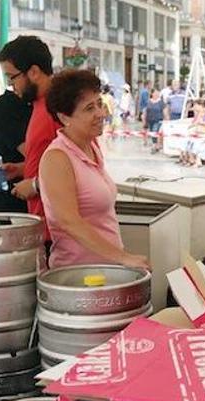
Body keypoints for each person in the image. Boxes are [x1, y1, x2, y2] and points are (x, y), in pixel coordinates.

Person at [39, 69, 150, 270]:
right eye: (89, 108)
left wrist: (119, 257)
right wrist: (123, 257)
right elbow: (68, 221)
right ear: (65, 118)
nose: (100, 113)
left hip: (107, 270)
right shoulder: (57, 158)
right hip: (79, 276)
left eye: (99, 104)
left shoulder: (91, 148)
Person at [0, 36, 58, 230]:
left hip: (56, 226)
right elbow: (52, 162)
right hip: (40, 221)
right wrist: (21, 169)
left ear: (33, 72)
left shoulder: (59, 110)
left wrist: (34, 185)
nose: (11, 84)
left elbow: (77, 169)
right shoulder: (37, 105)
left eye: (12, 77)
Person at [0, 89, 32, 213]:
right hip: (12, 206)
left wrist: (21, 169)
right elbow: (37, 157)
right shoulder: (3, 107)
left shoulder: (45, 107)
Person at [180, 99, 205, 167]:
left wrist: (200, 122)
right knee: (188, 142)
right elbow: (194, 123)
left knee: (196, 143)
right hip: (199, 134)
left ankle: (196, 161)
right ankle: (189, 159)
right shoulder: (202, 114)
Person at [142, 88, 165, 153]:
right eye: (155, 93)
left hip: (158, 119)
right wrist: (144, 119)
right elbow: (145, 111)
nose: (157, 94)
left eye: (158, 93)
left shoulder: (161, 102)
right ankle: (156, 144)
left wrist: (166, 119)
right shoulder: (148, 102)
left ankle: (154, 145)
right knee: (152, 132)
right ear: (152, 94)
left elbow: (164, 111)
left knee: (155, 130)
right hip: (150, 120)